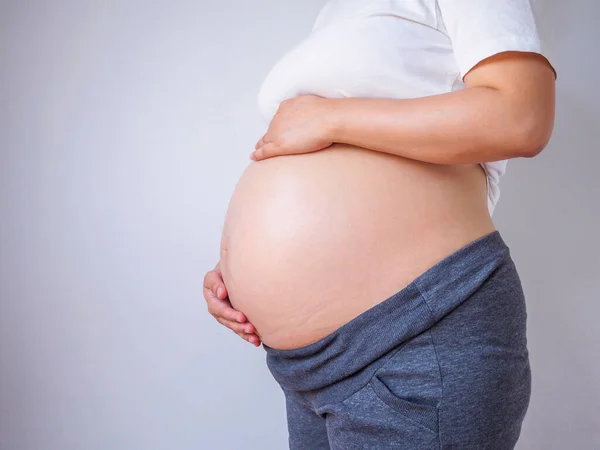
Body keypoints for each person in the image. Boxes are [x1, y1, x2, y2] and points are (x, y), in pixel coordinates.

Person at [204, 0, 556, 448]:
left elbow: (521, 117)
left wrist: (331, 117)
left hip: (418, 333)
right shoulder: (336, 12)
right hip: (304, 367)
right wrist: (240, 265)